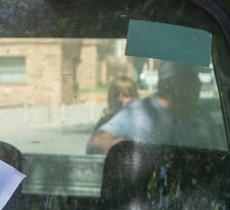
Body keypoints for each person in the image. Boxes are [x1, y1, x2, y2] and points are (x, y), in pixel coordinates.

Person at [86, 61, 216, 154]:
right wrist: (141, 149)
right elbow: (98, 141)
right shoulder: (138, 113)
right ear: (172, 83)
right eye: (192, 78)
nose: (199, 84)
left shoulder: (201, 115)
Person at [87, 76, 139, 153]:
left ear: (134, 99)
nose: (119, 100)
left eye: (125, 95)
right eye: (116, 95)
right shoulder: (104, 121)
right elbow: (91, 149)